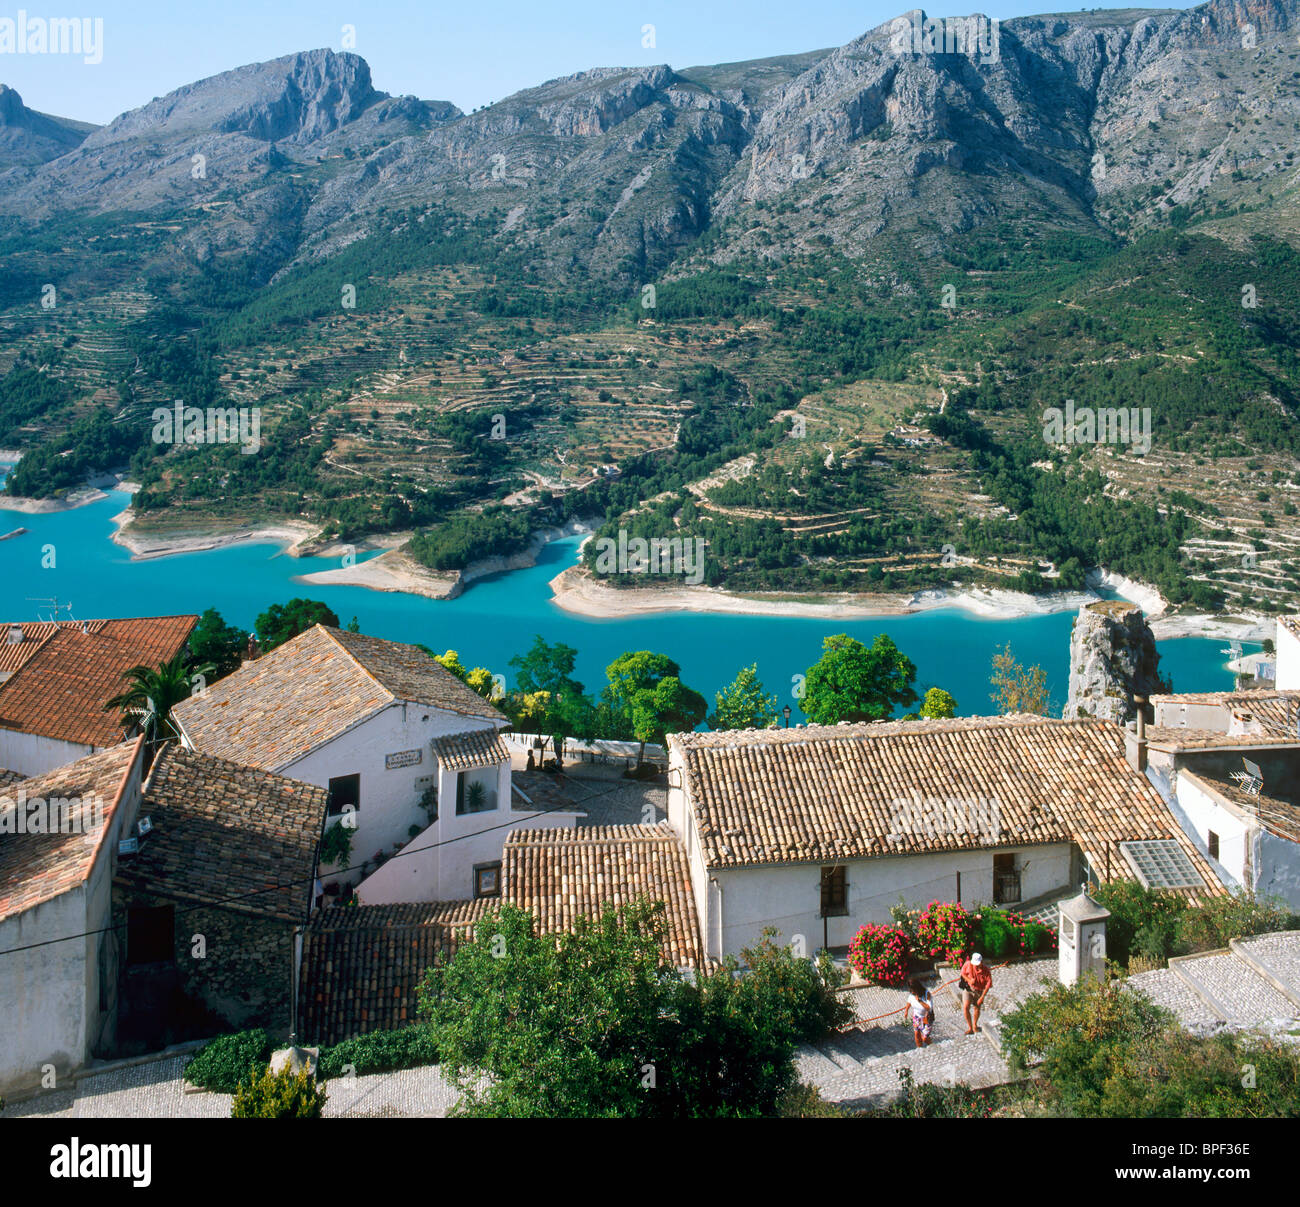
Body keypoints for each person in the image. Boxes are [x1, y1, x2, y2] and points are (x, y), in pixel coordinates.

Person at [960, 952, 992, 1034]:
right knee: (966, 1007)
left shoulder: (986, 971)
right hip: (968, 989)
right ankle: (970, 1027)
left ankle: (974, 1025)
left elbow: (988, 985)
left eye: (978, 964)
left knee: (976, 1008)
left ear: (981, 962)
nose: (976, 966)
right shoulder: (968, 964)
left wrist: (982, 997)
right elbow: (963, 973)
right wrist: (969, 980)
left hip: (979, 991)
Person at [906, 977, 934, 1047]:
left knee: (925, 1038)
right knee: (916, 1034)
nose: (912, 992)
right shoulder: (912, 995)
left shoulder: (926, 994)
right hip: (916, 1017)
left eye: (913, 990)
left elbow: (929, 1007)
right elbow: (909, 1002)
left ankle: (933, 1046)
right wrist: (906, 1010)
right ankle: (920, 1048)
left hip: (926, 1018)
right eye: (911, 990)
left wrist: (920, 1001)